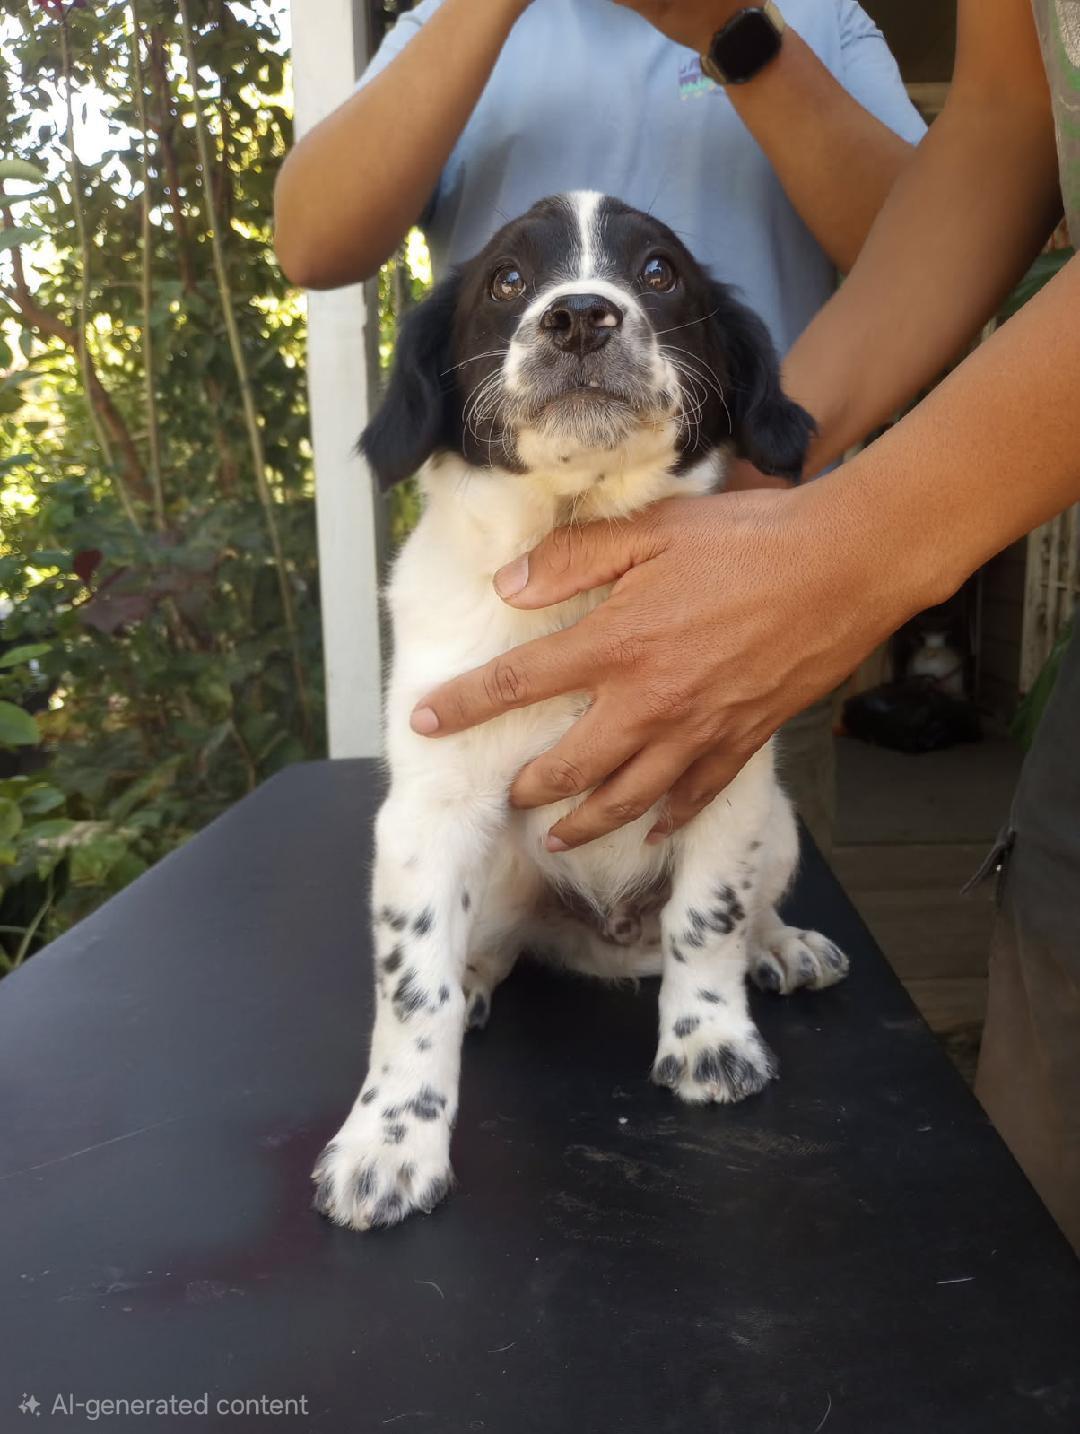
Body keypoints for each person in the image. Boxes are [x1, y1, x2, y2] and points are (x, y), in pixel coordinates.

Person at [401, 0, 1080, 1253]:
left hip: (745, 537)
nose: (585, 306)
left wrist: (847, 539)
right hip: (707, 551)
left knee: (741, 805)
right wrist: (802, 512)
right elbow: (1002, 124)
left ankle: (718, 975)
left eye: (649, 282)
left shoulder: (827, 14)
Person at [274, 0, 926, 852]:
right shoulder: (446, 16)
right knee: (482, 882)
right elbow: (311, 243)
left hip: (749, 583)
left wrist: (733, 28)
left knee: (733, 899)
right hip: (505, 587)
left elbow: (927, 241)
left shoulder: (816, 11)